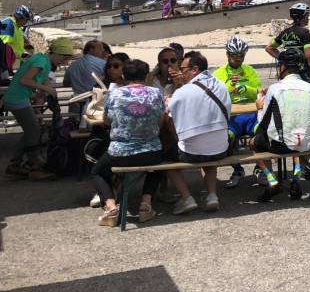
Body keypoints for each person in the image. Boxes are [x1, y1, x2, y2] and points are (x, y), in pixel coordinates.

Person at [91, 59, 165, 226]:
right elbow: (160, 119)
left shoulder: (114, 94)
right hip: (151, 151)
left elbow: (107, 120)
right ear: (146, 76)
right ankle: (145, 203)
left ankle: (110, 207)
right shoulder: (156, 93)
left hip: (121, 153)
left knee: (97, 172)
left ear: (124, 74)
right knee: (159, 165)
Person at [251, 48, 310, 201]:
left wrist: (259, 108)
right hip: (308, 144)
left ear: (282, 67)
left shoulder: (274, 89)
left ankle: (272, 181)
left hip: (280, 146)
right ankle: (296, 178)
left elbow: (263, 124)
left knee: (253, 143)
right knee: (302, 139)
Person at [164, 51, 231, 215]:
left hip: (193, 153)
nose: (181, 71)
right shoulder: (220, 85)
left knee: (165, 157)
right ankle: (212, 195)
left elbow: (169, 114)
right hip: (221, 149)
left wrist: (168, 98)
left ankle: (187, 198)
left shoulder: (183, 92)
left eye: (183, 68)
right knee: (210, 144)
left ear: (194, 69)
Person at [5, 37, 76, 180]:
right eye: (64, 59)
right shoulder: (41, 61)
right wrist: (45, 89)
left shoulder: (44, 61)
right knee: (35, 131)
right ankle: (34, 167)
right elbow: (25, 80)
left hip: (20, 98)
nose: (64, 63)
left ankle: (16, 164)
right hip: (17, 99)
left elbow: (42, 82)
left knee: (31, 130)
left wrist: (43, 92)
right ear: (59, 54)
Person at [213, 35, 262, 188]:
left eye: (241, 55)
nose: (238, 58)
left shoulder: (250, 71)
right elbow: (215, 95)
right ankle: (237, 169)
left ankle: (261, 169)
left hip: (250, 114)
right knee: (225, 140)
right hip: (230, 117)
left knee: (262, 136)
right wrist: (229, 87)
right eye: (234, 55)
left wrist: (245, 89)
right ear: (227, 54)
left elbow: (258, 92)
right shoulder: (218, 74)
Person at [265, 3, 310, 81]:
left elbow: (269, 48)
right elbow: (309, 54)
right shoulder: (305, 32)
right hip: (302, 73)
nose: (308, 18)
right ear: (304, 17)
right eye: (307, 16)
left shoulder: (285, 32)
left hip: (286, 73)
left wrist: (284, 58)